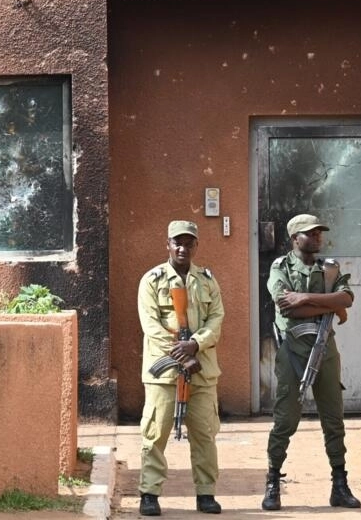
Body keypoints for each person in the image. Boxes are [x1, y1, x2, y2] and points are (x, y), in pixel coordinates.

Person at [261, 213, 361, 511]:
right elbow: (284, 307)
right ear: (295, 238)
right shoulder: (280, 267)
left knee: (333, 419)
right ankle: (273, 482)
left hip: (325, 349)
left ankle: (340, 485)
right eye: (311, 233)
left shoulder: (329, 268)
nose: (318, 237)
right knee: (286, 420)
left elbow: (346, 298)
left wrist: (304, 298)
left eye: (319, 232)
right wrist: (325, 305)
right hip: (292, 351)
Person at [137, 220, 225, 516]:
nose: (182, 248)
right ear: (168, 244)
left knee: (204, 434)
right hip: (164, 373)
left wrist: (195, 345)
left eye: (189, 243)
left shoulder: (208, 280)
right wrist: (180, 354)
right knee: (156, 433)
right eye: (177, 242)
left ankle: (205, 494)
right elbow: (151, 326)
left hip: (201, 368)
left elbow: (216, 319)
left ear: (196, 246)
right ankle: (149, 493)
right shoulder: (153, 280)